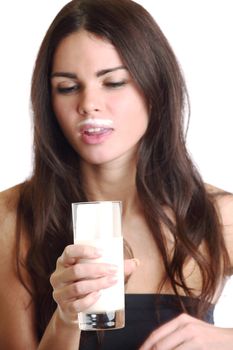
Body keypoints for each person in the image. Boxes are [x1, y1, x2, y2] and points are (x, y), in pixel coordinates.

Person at [0, 0, 232, 349]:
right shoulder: (13, 217)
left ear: (156, 87)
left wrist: (225, 340)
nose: (89, 103)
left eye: (113, 82)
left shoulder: (215, 215)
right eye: (67, 87)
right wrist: (67, 316)